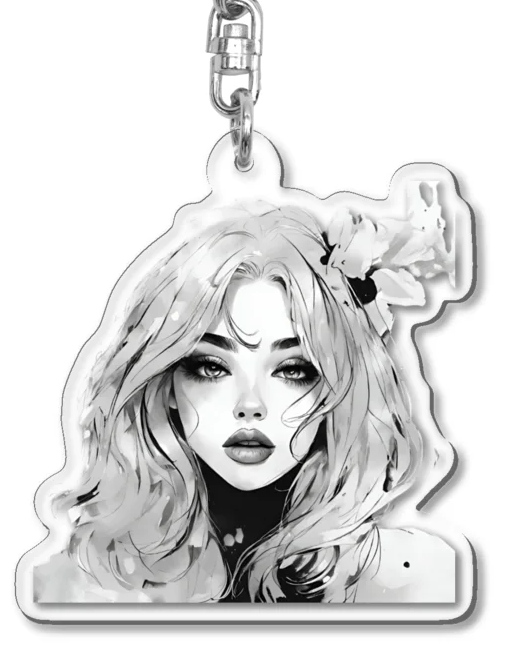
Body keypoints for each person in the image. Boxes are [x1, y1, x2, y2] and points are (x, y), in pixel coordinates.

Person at [30, 203, 458, 603]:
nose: (250, 405)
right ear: (164, 384)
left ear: (341, 387)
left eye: (294, 369)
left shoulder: (411, 581)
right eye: (212, 367)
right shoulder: (80, 588)